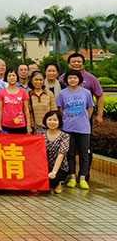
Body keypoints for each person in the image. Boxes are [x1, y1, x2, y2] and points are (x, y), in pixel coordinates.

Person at [59, 52, 104, 182]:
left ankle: (84, 175)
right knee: (70, 150)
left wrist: (99, 115)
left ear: (83, 63)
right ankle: (71, 175)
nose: (76, 64)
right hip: (69, 121)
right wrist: (65, 117)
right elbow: (60, 106)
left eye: (79, 61)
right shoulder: (62, 78)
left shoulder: (91, 79)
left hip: (84, 119)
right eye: (73, 61)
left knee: (86, 150)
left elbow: (99, 96)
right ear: (69, 64)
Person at [57, 69, 94, 190]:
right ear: (66, 80)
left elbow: (90, 108)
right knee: (70, 153)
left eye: (75, 77)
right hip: (68, 128)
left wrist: (84, 119)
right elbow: (60, 109)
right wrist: (68, 119)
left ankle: (82, 178)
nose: (72, 80)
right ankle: (72, 177)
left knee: (84, 154)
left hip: (84, 128)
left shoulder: (86, 93)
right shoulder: (62, 93)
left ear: (79, 79)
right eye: (70, 78)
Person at [0, 68, 32, 134]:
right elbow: (0, 110)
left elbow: (26, 110)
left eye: (13, 75)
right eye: (9, 76)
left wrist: (28, 126)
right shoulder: (1, 93)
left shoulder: (23, 92)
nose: (12, 78)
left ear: (17, 77)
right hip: (5, 124)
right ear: (6, 78)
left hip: (20, 124)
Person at [42, 111, 70, 194]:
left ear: (59, 121)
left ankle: (58, 183)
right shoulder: (41, 134)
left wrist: (53, 172)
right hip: (44, 167)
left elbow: (61, 155)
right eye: (49, 120)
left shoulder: (65, 136)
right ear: (45, 121)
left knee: (52, 181)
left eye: (55, 120)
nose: (52, 122)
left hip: (59, 168)